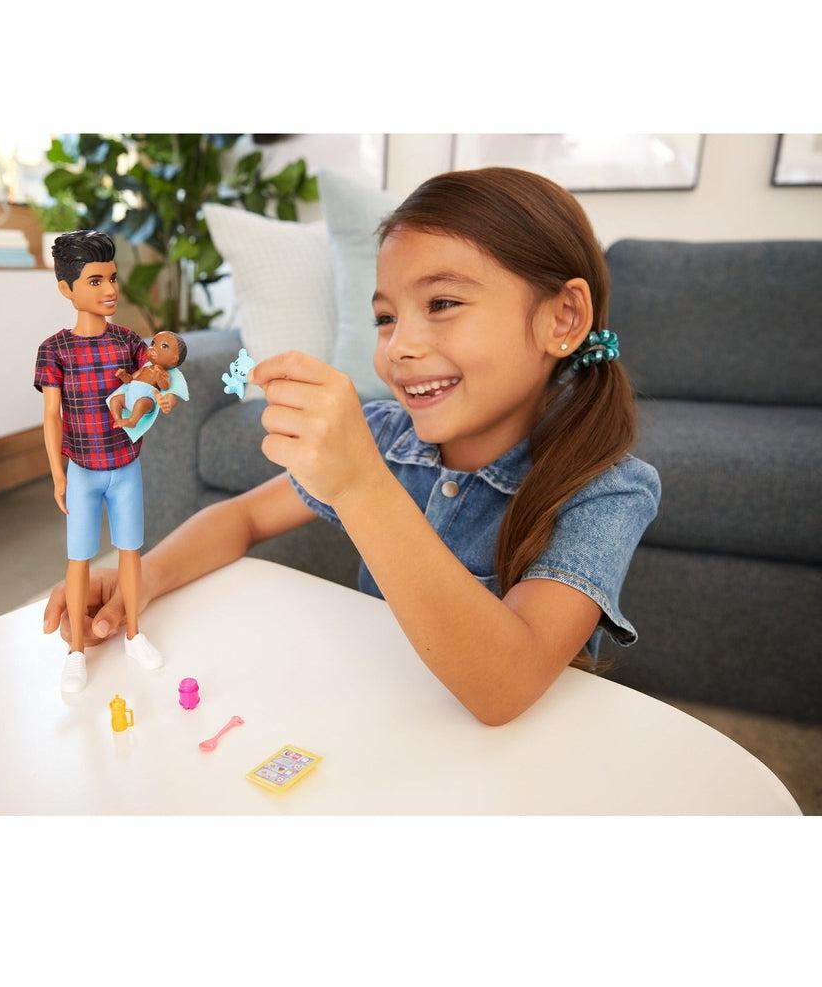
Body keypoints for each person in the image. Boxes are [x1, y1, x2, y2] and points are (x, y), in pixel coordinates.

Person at [43, 168, 661, 725]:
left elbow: (505, 686)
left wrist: (360, 482)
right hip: (382, 721)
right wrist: (141, 578)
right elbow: (243, 516)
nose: (397, 347)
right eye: (385, 318)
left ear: (563, 318)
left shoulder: (604, 490)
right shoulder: (389, 438)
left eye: (442, 304)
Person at [34, 230, 180, 693]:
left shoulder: (129, 342)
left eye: (112, 278)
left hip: (125, 468)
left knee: (129, 554)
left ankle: (134, 634)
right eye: (95, 281)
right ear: (67, 289)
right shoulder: (55, 350)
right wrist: (58, 475)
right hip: (81, 472)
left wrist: (167, 394)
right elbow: (52, 415)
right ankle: (76, 650)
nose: (110, 290)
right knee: (78, 559)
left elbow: (156, 378)